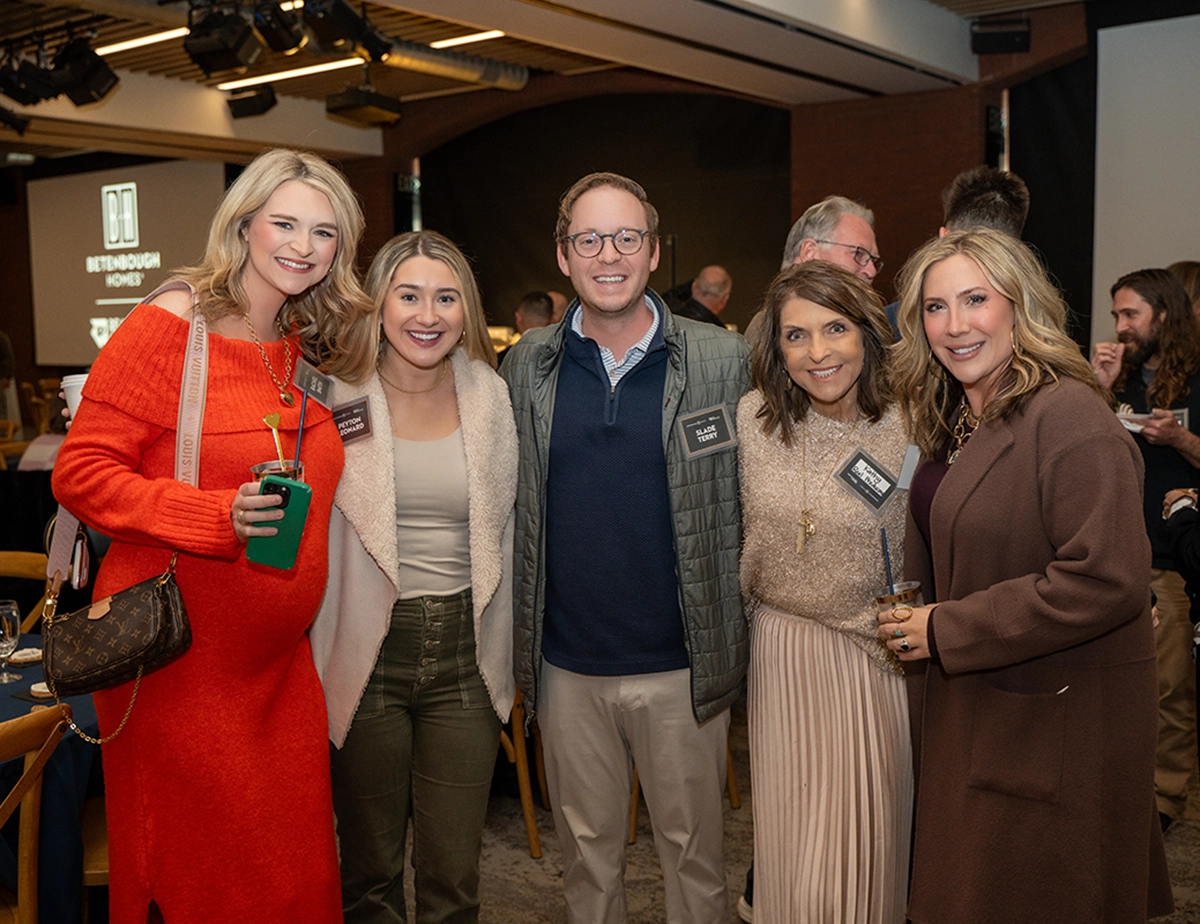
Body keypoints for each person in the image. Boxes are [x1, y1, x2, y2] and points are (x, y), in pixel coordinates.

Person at [52, 147, 373, 923]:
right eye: (285, 223)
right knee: (212, 885)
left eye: (323, 232)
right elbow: (82, 472)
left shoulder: (287, 345)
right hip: (184, 669)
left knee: (291, 880)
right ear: (245, 225)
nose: (302, 245)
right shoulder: (169, 323)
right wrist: (213, 516)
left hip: (277, 671)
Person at [881, 229, 1172, 922]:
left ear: (1020, 304)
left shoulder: (1070, 414)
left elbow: (1104, 579)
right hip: (977, 709)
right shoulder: (954, 413)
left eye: (975, 299)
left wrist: (944, 627)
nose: (954, 325)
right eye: (935, 307)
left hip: (1049, 720)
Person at [501, 171, 749, 924]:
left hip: (683, 667)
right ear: (564, 255)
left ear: (653, 251)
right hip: (566, 668)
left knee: (696, 865)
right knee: (587, 866)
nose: (608, 254)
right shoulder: (527, 366)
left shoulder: (719, 360)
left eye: (626, 238)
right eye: (589, 239)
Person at [310, 230, 518, 923]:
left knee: (453, 877)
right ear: (378, 304)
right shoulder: (332, 395)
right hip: (366, 652)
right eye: (409, 295)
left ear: (466, 311)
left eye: (446, 297)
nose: (427, 315)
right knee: (368, 872)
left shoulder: (490, 395)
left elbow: (511, 526)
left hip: (466, 652)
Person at [739, 261, 911, 923]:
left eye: (834, 328)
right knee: (791, 853)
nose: (817, 352)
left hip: (871, 661)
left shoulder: (910, 421)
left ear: (867, 332)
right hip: (781, 656)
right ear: (775, 348)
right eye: (796, 335)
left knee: (865, 851)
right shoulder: (751, 419)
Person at [1091, 268, 1200, 832]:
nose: (1121, 326)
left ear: (1164, 313)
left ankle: (1163, 803)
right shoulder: (1122, 375)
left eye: (1130, 314)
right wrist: (1101, 390)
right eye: (1116, 316)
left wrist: (1180, 439)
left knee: (1170, 692)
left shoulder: (1197, 379)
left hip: (1176, 563)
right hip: (1119, 556)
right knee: (1115, 682)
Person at [745, 196, 881, 348]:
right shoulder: (770, 328)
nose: (872, 271)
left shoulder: (869, 327)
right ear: (810, 253)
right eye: (859, 253)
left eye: (873, 260)